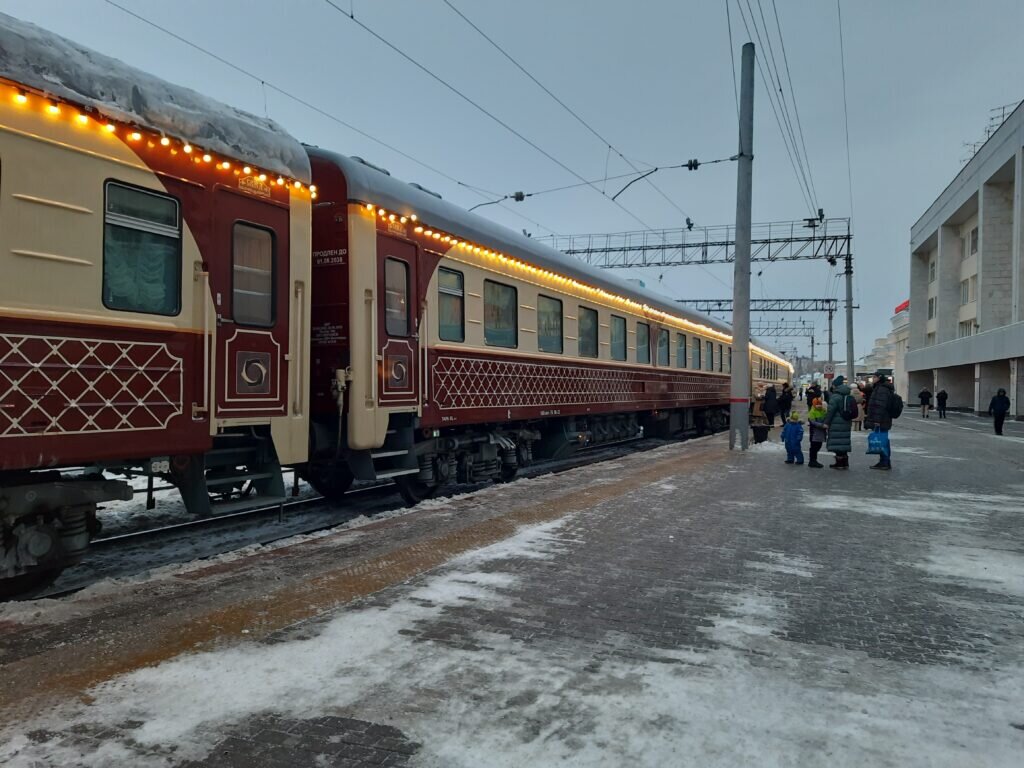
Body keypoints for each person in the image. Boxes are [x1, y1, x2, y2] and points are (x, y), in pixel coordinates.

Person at [866, 375, 897, 470]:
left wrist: (877, 420)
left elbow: (879, 406)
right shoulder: (882, 388)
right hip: (884, 419)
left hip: (882, 420)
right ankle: (885, 461)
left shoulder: (881, 389)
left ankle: (884, 462)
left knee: (882, 441)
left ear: (879, 378)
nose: (873, 379)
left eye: (874, 377)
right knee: (883, 440)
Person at [824, 375, 853, 469]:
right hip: (846, 421)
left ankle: (839, 463)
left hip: (836, 422)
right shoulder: (847, 394)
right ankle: (845, 463)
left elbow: (830, 411)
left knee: (838, 443)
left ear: (835, 386)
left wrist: (826, 422)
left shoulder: (835, 396)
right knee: (843, 442)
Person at [806, 397, 827, 469]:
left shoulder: (823, 410)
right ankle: (812, 461)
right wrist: (822, 425)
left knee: (818, 446)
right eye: (817, 404)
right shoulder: (812, 412)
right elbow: (813, 422)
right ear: (814, 404)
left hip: (820, 432)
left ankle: (813, 461)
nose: (819, 405)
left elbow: (826, 417)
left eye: (820, 404)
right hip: (814, 433)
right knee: (814, 447)